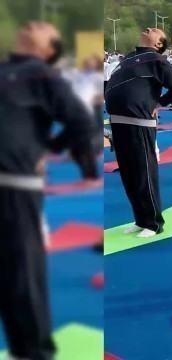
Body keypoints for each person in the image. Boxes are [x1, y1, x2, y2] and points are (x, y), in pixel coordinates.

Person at [0, 21, 97, 360]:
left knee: (21, 271)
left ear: (48, 49)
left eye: (45, 28)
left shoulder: (42, 74)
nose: (34, 24)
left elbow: (81, 122)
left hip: (12, 185)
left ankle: (33, 351)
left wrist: (47, 147)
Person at [105, 27, 172, 238]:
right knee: (128, 175)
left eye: (155, 30)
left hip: (139, 122)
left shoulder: (156, 60)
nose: (149, 28)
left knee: (144, 173)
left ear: (159, 44)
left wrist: (158, 103)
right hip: (118, 121)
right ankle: (140, 219)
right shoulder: (128, 58)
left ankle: (153, 223)